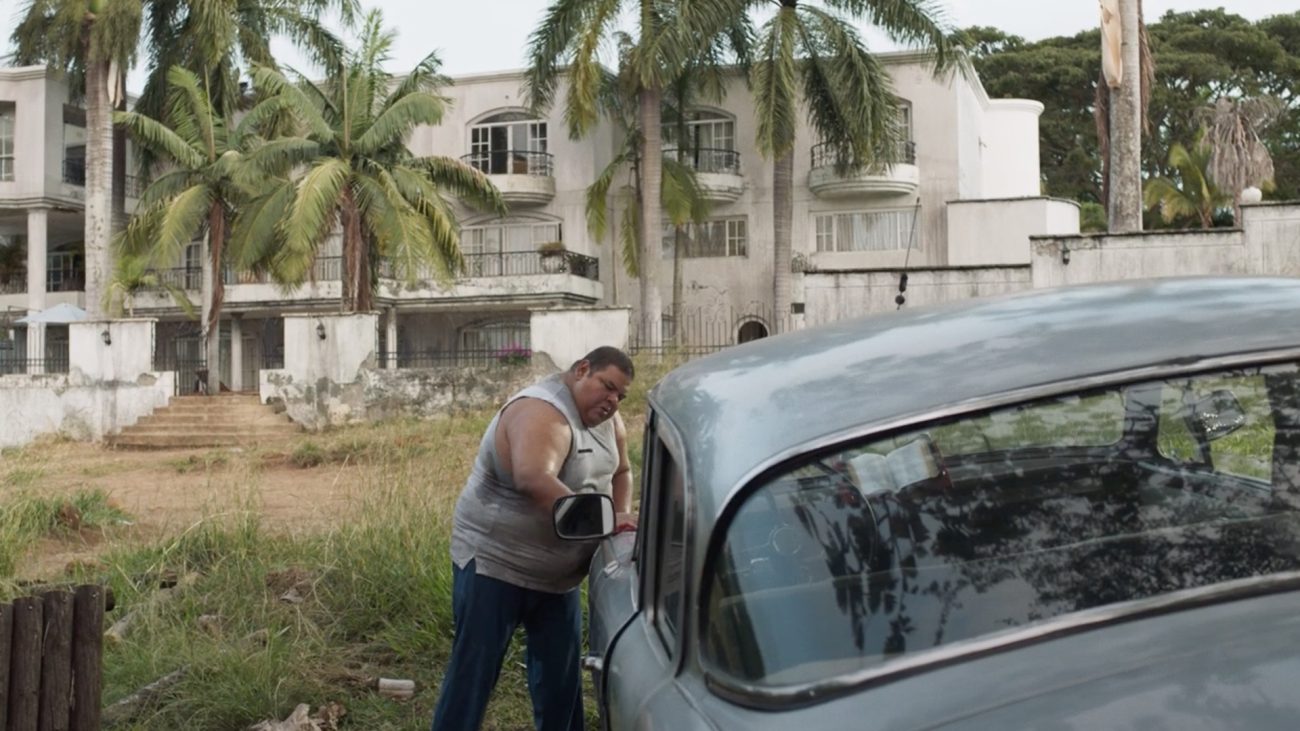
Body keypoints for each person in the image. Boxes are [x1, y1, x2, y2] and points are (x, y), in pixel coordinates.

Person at [431, 346, 637, 731]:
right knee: (472, 677)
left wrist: (618, 516)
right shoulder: (542, 412)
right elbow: (533, 478)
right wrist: (604, 522)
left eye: (620, 395)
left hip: (558, 577)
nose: (612, 401)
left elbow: (622, 470)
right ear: (582, 369)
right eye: (607, 386)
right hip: (495, 566)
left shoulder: (610, 421)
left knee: (560, 681)